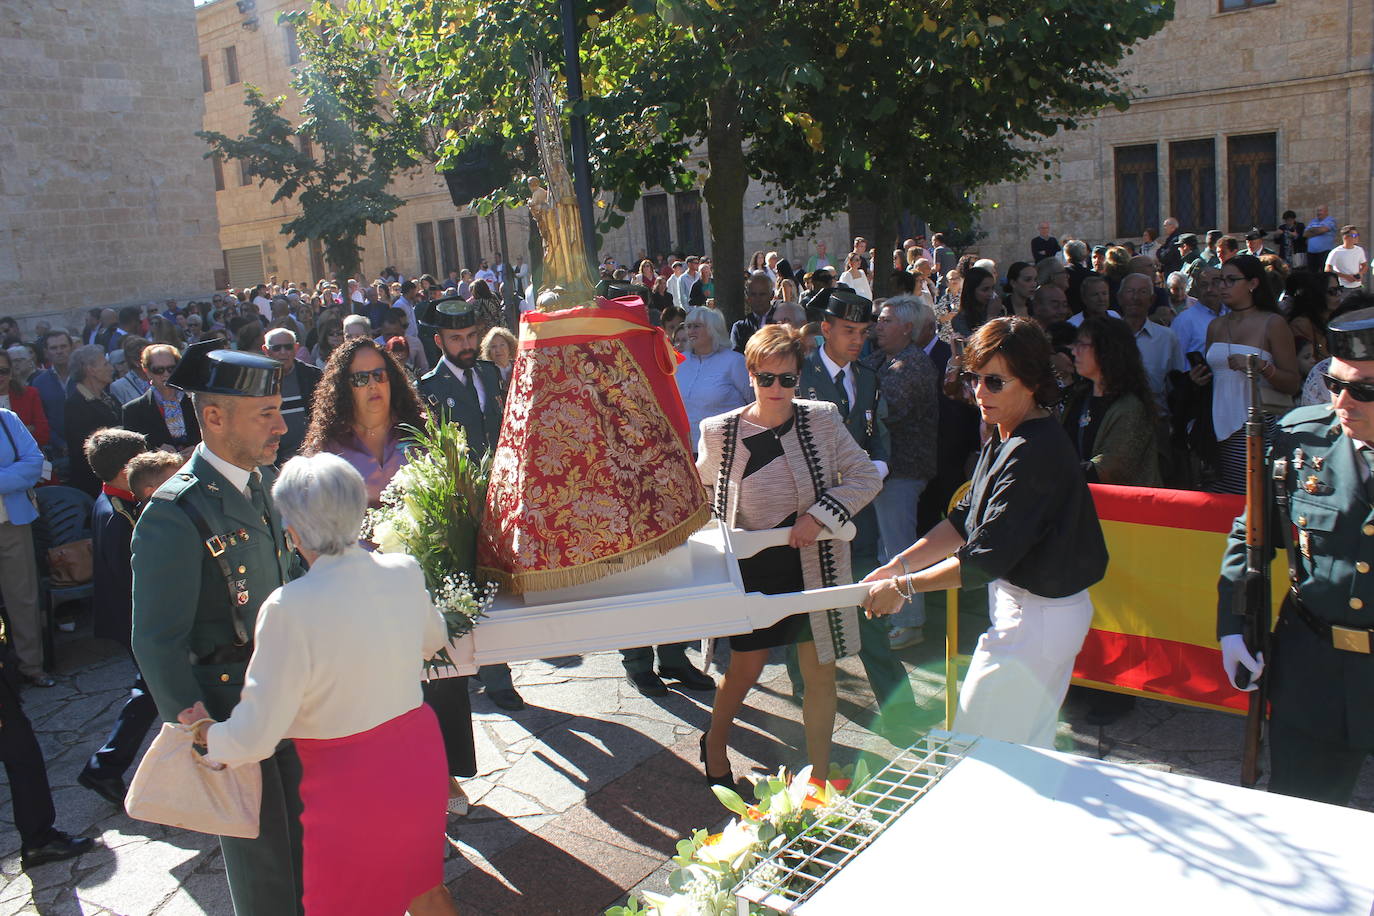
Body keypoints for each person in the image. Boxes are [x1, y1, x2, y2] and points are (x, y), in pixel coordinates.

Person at [176, 454, 459, 915]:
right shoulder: (404, 570)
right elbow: (433, 640)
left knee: (345, 905)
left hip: (346, 776)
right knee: (424, 886)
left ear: (292, 530)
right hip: (415, 751)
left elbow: (256, 735)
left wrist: (208, 734)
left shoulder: (288, 606)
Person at [862, 317, 1108, 748]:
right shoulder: (1007, 430)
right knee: (1017, 750)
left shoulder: (1034, 450)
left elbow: (983, 560)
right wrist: (898, 566)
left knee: (975, 746)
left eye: (995, 381)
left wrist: (903, 587)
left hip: (1040, 616)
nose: (979, 392)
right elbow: (963, 520)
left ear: (1031, 383)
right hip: (1028, 611)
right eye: (974, 378)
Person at [130, 340, 306, 915]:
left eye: (279, 411)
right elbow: (156, 639)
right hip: (232, 713)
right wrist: (197, 726)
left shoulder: (262, 481)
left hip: (288, 696)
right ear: (214, 416)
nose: (281, 426)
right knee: (267, 867)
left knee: (306, 849)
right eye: (266, 414)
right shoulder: (175, 512)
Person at [697, 325, 881, 786]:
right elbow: (700, 493)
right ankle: (714, 743)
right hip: (752, 568)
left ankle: (818, 775)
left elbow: (865, 476)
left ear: (799, 377)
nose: (777, 388)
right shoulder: (719, 431)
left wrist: (820, 516)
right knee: (745, 668)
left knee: (820, 671)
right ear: (750, 375)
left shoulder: (822, 419)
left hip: (813, 564)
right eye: (766, 378)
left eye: (787, 378)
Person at [1217, 305, 1374, 806]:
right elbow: (1252, 533)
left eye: (1364, 390)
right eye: (1334, 384)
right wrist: (1234, 625)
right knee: (1304, 813)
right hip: (1316, 667)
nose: (1342, 402)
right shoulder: (1299, 438)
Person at [797, 289, 922, 744]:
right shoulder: (799, 376)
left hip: (858, 516)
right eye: (848, 331)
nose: (857, 340)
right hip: (810, 516)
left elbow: (878, 432)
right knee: (804, 616)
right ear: (825, 329)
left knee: (870, 606)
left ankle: (900, 711)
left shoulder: (867, 376)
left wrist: (879, 466)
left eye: (863, 332)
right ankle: (804, 694)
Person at [415, 296, 521, 712]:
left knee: (498, 584)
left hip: (500, 493)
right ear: (439, 341)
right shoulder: (429, 388)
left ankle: (492, 663)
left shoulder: (491, 374)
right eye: (456, 338)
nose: (467, 345)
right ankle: (496, 676)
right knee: (475, 588)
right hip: (461, 502)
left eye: (471, 336)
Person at [78, 429, 160, 807]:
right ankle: (104, 767)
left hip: (132, 618)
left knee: (151, 691)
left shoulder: (115, 501)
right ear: (129, 467)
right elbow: (133, 578)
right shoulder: (118, 514)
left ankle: (105, 767)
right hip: (135, 619)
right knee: (151, 691)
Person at [1190, 255, 1301, 493]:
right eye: (1220, 280)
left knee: (1252, 499)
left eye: (1231, 280)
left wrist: (1261, 366)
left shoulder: (1273, 323)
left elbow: (1292, 383)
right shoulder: (1215, 326)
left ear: (1253, 283)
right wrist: (1198, 379)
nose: (1222, 286)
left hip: (1255, 425)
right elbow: (1214, 377)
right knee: (1218, 499)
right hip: (1215, 425)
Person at [864, 296, 938, 650]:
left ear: (907, 328)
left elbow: (884, 411)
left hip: (903, 469)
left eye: (887, 320)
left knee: (898, 547)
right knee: (886, 547)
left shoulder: (912, 364)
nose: (878, 325)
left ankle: (910, 624)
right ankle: (895, 615)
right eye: (879, 319)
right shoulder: (882, 359)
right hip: (887, 469)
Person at [1062, 317, 1162, 486]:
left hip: (1114, 502)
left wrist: (1054, 471)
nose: (1074, 352)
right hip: (1078, 497)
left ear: (1106, 350)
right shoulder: (1078, 397)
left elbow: (1110, 470)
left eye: (1082, 345)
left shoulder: (1131, 407)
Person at [0, 405, 48, 688]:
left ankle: (32, 666)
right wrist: (9, 477)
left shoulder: (6, 418)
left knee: (23, 598)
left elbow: (33, 464)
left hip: (12, 523)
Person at [677, 306, 752, 455]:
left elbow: (753, 402)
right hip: (687, 450)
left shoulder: (734, 361)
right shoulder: (680, 362)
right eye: (688, 326)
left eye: (697, 326)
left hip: (726, 450)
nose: (691, 331)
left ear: (713, 329)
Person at [120, 344, 202, 455]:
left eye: (171, 369)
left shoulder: (198, 401)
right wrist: (155, 450)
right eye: (158, 370)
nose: (166, 374)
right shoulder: (133, 411)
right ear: (147, 371)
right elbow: (132, 451)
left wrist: (198, 448)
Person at [64, 345, 120, 496]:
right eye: (105, 364)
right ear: (91, 370)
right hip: (95, 483)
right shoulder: (75, 405)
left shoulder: (110, 398)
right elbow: (84, 446)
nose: (111, 368)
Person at [262, 328, 322, 463]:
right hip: (274, 459)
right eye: (276, 348)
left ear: (296, 348)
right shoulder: (259, 381)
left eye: (288, 347)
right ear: (266, 350)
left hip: (312, 455)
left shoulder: (313, 376)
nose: (283, 352)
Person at [0, 348, 49, 449]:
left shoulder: (30, 394)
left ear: (11, 373)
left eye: (3, 371)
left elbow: (43, 435)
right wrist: (26, 429)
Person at [952, 266, 997, 337]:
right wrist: (991, 316)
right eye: (985, 289)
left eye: (993, 288)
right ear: (971, 291)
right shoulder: (960, 320)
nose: (991, 293)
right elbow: (979, 341)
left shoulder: (998, 311)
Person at [1325, 226, 1368, 294]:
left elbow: (1364, 265)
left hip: (1358, 287)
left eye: (1357, 235)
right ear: (1345, 237)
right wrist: (1346, 277)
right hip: (1342, 288)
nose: (1357, 237)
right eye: (1354, 235)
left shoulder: (1359, 250)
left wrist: (1360, 274)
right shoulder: (1336, 252)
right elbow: (1327, 270)